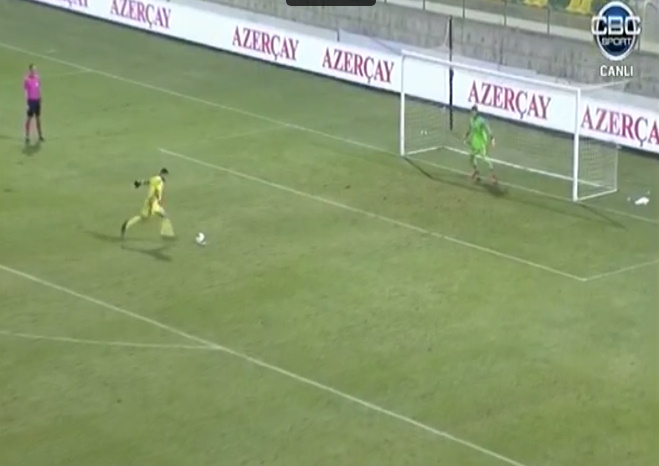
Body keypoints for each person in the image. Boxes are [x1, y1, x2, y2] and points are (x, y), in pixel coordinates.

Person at [120, 168, 175, 239]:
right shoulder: (159, 180)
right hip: (153, 202)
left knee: (145, 217)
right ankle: (166, 233)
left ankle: (127, 224)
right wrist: (159, 200)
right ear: (163, 174)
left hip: (150, 201)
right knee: (163, 215)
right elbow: (157, 191)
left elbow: (148, 182)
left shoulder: (155, 178)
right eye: (165, 175)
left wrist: (139, 182)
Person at [465, 105, 496, 183]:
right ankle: (476, 171)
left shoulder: (481, 120)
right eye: (472, 112)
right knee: (471, 157)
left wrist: (492, 138)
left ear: (477, 112)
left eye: (474, 112)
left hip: (482, 141)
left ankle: (493, 174)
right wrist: (466, 137)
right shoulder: (471, 120)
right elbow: (470, 129)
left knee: (484, 157)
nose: (473, 113)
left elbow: (488, 129)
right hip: (474, 141)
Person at [24, 64, 44, 144]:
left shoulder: (37, 78)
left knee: (38, 118)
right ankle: (27, 136)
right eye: (32, 70)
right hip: (31, 101)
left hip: (37, 101)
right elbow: (25, 91)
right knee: (29, 118)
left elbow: (39, 88)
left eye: (35, 70)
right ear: (30, 70)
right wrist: (27, 103)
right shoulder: (27, 79)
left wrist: (40, 97)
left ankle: (40, 135)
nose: (34, 71)